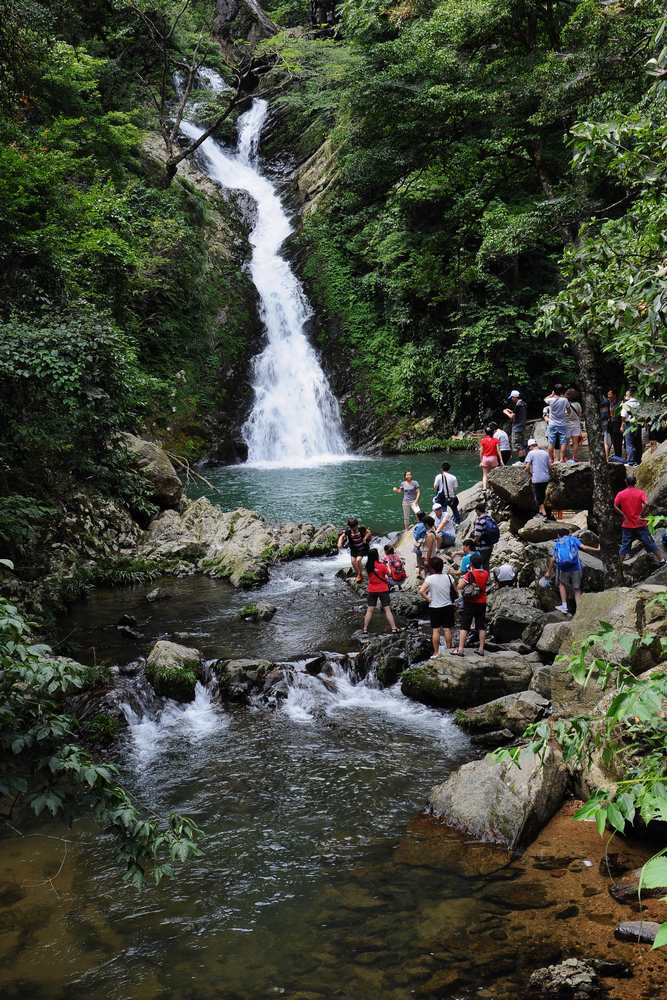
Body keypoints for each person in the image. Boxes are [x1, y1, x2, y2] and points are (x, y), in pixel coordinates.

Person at [546, 528, 600, 614]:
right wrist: (597, 549)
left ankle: (564, 606)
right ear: (569, 533)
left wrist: (548, 571)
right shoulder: (573, 539)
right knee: (577, 589)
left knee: (562, 584)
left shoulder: (558, 542)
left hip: (564, 569)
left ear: (558, 535)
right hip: (575, 567)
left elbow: (553, 559)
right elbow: (583, 547)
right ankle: (579, 610)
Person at [614, 475, 665, 565]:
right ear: (635, 482)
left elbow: (614, 505)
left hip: (627, 525)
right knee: (649, 542)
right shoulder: (640, 493)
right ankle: (661, 560)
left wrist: (623, 514)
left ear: (626, 482)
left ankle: (618, 566)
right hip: (640, 524)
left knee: (624, 546)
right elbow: (647, 503)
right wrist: (642, 514)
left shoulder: (621, 494)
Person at [451, 553, 489, 656]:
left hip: (470, 602)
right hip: (482, 602)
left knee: (465, 625)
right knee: (481, 625)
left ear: (471, 563)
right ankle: (481, 649)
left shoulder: (470, 574)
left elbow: (459, 586)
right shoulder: (486, 573)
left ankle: (461, 649)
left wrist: (461, 579)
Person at [419, 555, 456, 657]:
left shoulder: (429, 579)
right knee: (447, 629)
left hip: (434, 607)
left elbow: (421, 591)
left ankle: (436, 653)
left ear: (432, 567)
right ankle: (449, 651)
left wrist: (429, 599)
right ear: (441, 566)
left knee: (436, 630)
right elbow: (455, 590)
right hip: (448, 606)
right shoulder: (449, 577)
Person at [362, 548, 399, 635]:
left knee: (370, 610)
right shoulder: (382, 565)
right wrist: (388, 567)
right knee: (387, 609)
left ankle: (365, 629)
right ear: (377, 555)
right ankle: (394, 628)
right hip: (383, 589)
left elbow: (369, 576)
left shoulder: (368, 566)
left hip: (372, 589)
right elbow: (389, 574)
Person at [337, 517, 371, 584]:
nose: (353, 529)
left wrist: (365, 538)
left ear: (357, 525)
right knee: (353, 562)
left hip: (362, 548)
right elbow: (341, 536)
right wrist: (339, 543)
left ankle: (359, 575)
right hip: (354, 549)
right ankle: (359, 573)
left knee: (358, 560)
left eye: (354, 527)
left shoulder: (361, 529)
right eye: (351, 527)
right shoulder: (348, 532)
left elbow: (368, 532)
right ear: (349, 526)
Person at [524, 437, 551, 516]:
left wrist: (529, 472)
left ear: (530, 447)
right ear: (536, 445)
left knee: (538, 495)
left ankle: (543, 512)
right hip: (546, 478)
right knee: (543, 494)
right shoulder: (545, 453)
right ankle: (541, 511)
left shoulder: (531, 453)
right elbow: (549, 466)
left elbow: (527, 467)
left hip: (537, 479)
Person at [546, 384, 572, 463]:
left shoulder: (550, 400)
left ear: (554, 391)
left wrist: (552, 394)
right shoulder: (565, 400)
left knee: (551, 442)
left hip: (552, 424)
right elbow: (569, 411)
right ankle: (561, 459)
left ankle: (551, 459)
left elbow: (545, 399)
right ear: (562, 391)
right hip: (562, 424)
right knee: (563, 442)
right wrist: (567, 414)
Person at [473, 503, 499, 568]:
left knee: (479, 566)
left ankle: (482, 578)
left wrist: (474, 543)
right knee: (486, 564)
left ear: (478, 510)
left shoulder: (479, 521)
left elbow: (477, 536)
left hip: (482, 547)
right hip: (490, 545)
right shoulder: (490, 518)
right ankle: (487, 577)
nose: (476, 512)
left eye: (476, 511)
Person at [503, 389, 527, 457]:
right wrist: (510, 411)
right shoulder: (523, 404)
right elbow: (517, 414)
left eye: (512, 398)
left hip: (517, 428)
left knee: (517, 446)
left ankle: (521, 462)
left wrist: (506, 412)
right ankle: (524, 461)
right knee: (522, 445)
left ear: (515, 397)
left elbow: (512, 417)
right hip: (522, 427)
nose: (512, 399)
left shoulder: (518, 405)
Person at [621, 390, 642, 466]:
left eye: (626, 395)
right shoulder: (639, 404)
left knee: (629, 443)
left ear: (628, 396)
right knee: (638, 442)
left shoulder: (626, 404)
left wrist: (622, 424)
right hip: (638, 424)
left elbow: (623, 415)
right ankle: (638, 461)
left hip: (629, 424)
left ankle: (631, 461)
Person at [601, 389, 622, 460]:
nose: (608, 396)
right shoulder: (607, 403)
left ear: (614, 395)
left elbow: (620, 415)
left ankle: (618, 457)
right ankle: (608, 458)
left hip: (616, 424)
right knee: (608, 442)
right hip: (608, 426)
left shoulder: (619, 403)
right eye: (608, 395)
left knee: (617, 442)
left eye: (610, 395)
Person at [565, 388, 583, 461]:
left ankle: (565, 457)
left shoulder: (566, 405)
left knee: (566, 442)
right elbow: (580, 414)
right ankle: (574, 457)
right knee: (575, 442)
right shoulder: (578, 404)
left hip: (567, 425)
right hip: (576, 424)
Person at [412, 510, 427, 578]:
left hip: (420, 545)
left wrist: (414, 533)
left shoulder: (419, 526)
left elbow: (416, 536)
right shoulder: (427, 523)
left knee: (419, 558)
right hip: (427, 544)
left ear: (418, 518)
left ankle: (420, 570)